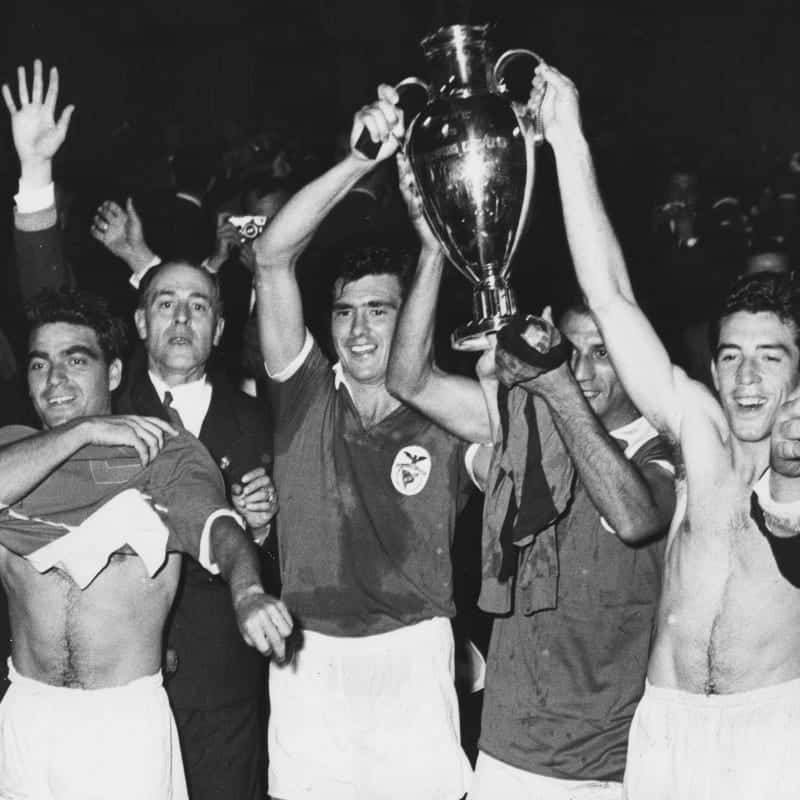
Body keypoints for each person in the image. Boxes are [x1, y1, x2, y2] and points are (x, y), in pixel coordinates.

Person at [5, 59, 278, 800]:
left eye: (198, 306)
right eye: (164, 303)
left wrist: (263, 541)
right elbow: (49, 306)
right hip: (54, 700)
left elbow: (239, 531)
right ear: (136, 323)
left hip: (213, 686)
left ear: (221, 327)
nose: (181, 318)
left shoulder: (258, 418)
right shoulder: (96, 402)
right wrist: (35, 171)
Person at [535, 63, 800, 798]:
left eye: (770, 360)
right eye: (732, 358)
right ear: (711, 370)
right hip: (669, 727)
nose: (747, 381)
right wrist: (567, 140)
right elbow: (610, 298)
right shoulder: (699, 434)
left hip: (773, 736)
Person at [385, 148, 675, 798]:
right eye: (574, 351)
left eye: (605, 353)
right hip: (504, 752)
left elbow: (631, 516)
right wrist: (434, 250)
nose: (589, 370)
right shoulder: (529, 434)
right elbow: (409, 380)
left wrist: (556, 382)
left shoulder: (669, 449)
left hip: (607, 770)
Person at [251, 85, 477, 800]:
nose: (357, 332)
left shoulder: (449, 413)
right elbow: (271, 258)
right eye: (344, 313)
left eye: (379, 311)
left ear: (407, 313)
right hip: (307, 656)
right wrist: (358, 160)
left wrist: (435, 248)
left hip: (413, 653)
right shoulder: (304, 392)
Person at [0, 287, 292, 800]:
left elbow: (220, 529)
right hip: (28, 717)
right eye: (40, 366)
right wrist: (83, 432)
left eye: (75, 360)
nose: (56, 380)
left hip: (124, 723)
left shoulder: (165, 452)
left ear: (113, 373)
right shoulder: (12, 450)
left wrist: (247, 592)